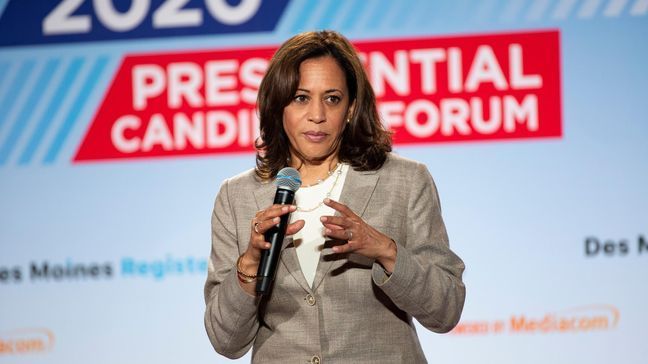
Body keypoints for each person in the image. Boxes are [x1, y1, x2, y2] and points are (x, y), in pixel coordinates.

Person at [204, 30, 465, 363]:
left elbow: (446, 311)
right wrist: (250, 262)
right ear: (278, 105)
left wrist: (386, 251)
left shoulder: (405, 180)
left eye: (332, 98)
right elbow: (226, 340)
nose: (317, 114)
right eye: (300, 97)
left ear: (352, 107)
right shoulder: (237, 196)